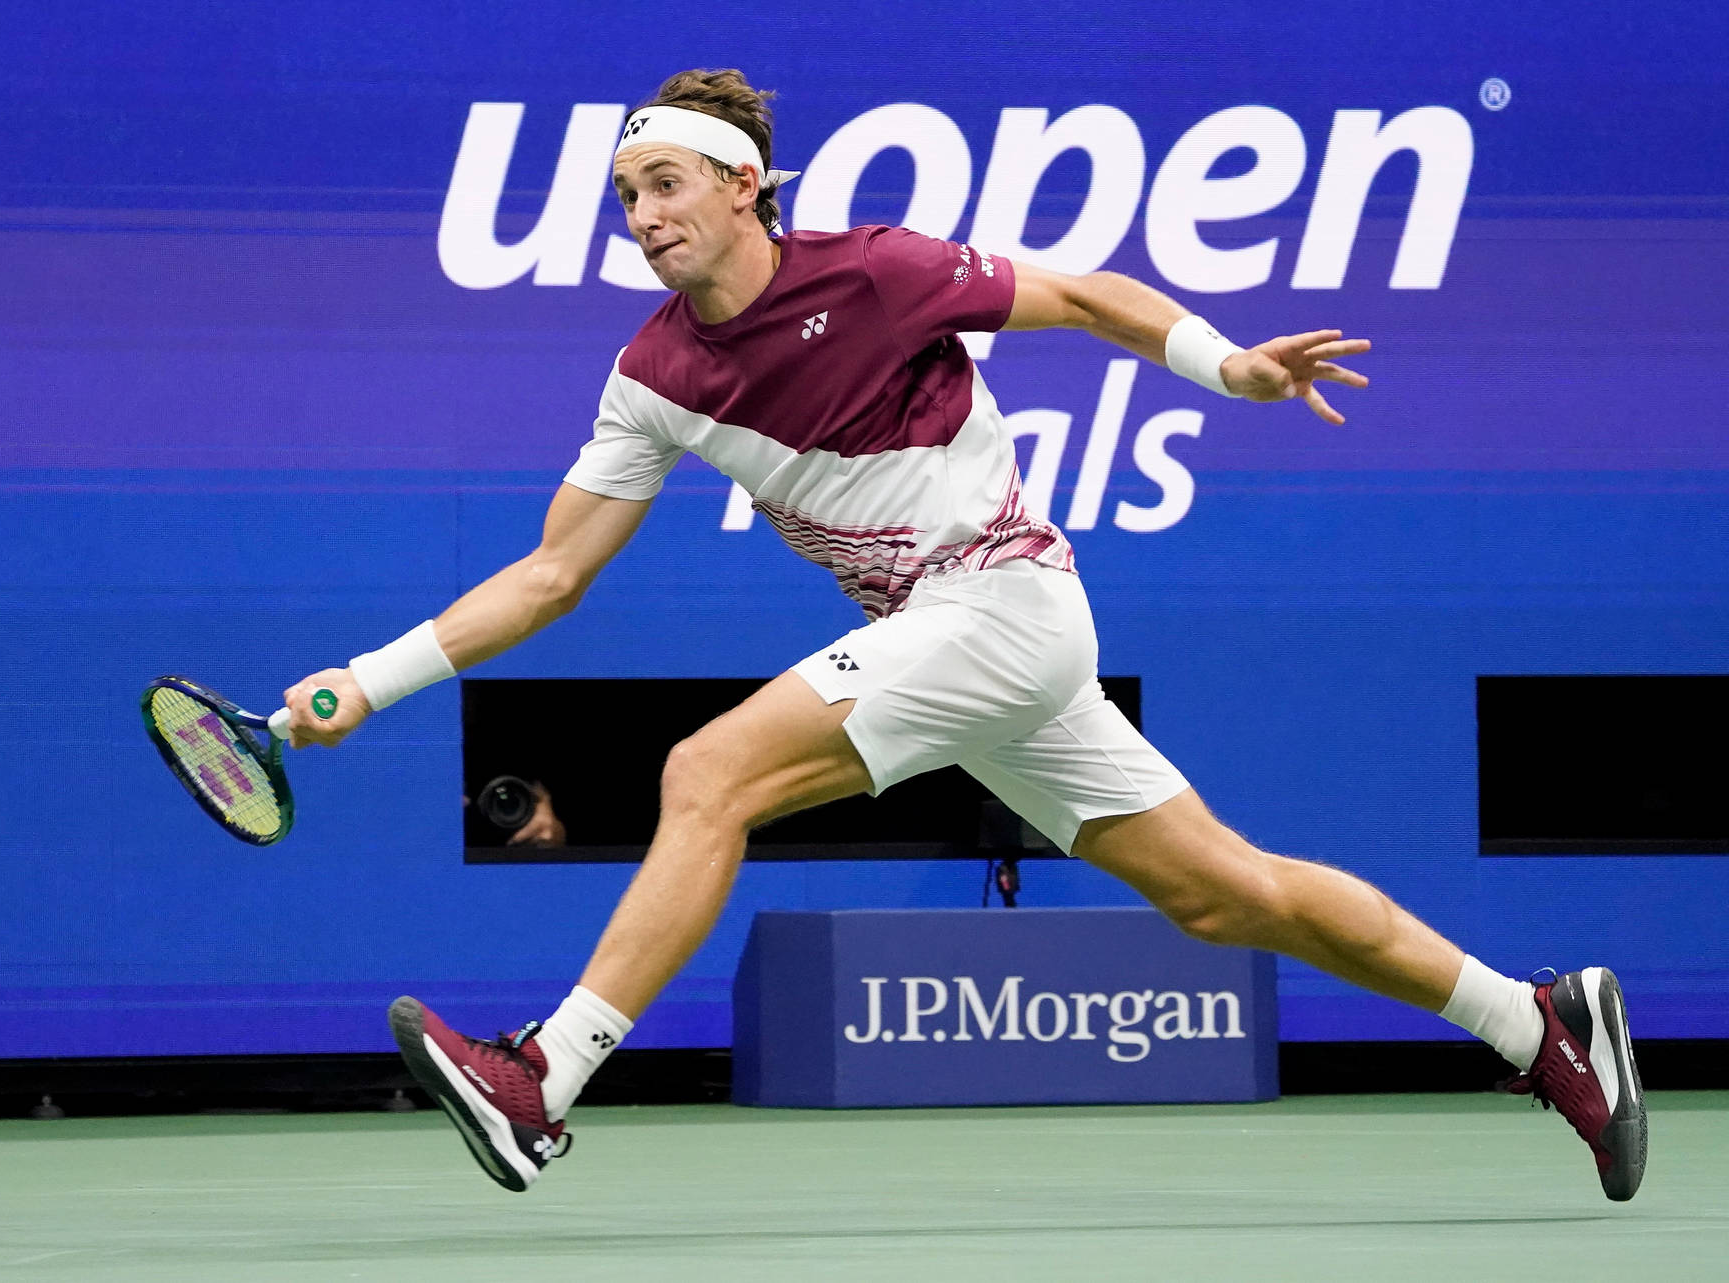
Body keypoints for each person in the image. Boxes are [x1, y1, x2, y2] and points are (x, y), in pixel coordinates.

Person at [280, 69, 1646, 1200]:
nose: (643, 217)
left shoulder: (883, 274)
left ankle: (543, 1079)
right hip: (954, 645)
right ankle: (1541, 1023)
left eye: (667, 185)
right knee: (1227, 895)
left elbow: (1095, 295)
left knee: (710, 774)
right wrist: (364, 682)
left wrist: (1227, 367)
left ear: (746, 181)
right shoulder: (653, 376)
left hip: (1005, 607)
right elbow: (549, 576)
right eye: (626, 197)